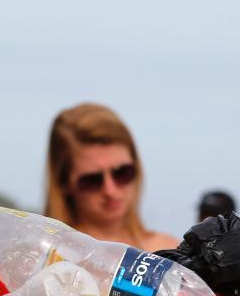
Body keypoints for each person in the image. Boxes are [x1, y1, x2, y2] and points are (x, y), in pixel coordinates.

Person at [45, 102, 176, 252]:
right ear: (63, 183)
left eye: (122, 173)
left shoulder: (170, 252)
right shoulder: (42, 256)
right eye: (92, 180)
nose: (110, 190)